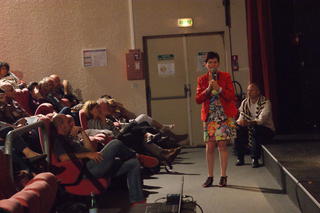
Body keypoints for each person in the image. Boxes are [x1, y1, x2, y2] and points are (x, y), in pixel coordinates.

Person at [52, 114, 146, 205]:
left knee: (133, 163)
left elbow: (91, 150)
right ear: (62, 126)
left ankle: (137, 200)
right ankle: (135, 155)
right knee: (115, 143)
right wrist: (87, 154)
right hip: (85, 171)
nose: (71, 124)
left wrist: (82, 132)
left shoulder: (69, 138)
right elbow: (63, 157)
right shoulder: (59, 140)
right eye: (68, 122)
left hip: (93, 165)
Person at [195, 51, 237, 187]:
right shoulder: (201, 79)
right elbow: (198, 99)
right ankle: (210, 176)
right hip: (210, 116)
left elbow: (231, 96)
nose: (212, 65)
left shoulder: (225, 76)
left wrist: (219, 89)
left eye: (215, 62)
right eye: (210, 62)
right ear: (205, 64)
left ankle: (223, 176)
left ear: (218, 63)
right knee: (210, 147)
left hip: (223, 115)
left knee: (222, 145)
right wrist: (207, 89)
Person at [234, 83, 275, 168]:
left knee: (255, 129)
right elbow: (241, 116)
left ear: (258, 92)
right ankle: (240, 157)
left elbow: (262, 119)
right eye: (248, 90)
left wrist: (248, 123)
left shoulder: (265, 102)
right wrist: (239, 122)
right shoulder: (245, 102)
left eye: (252, 90)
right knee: (238, 128)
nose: (249, 92)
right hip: (251, 127)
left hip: (266, 129)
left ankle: (255, 158)